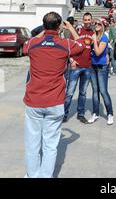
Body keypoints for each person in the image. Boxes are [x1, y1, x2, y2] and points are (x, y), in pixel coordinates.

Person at [23, 12, 85, 178]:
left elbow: (26, 45)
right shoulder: (65, 44)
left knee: (32, 143)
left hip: (34, 99)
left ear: (44, 26)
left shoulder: (33, 44)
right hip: (55, 100)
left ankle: (32, 175)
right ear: (59, 27)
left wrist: (44, 32)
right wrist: (70, 27)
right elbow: (82, 44)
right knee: (50, 145)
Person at [63, 13, 95, 123]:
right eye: (85, 19)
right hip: (75, 67)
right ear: (83, 20)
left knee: (83, 93)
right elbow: (69, 46)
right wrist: (71, 60)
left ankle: (80, 114)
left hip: (87, 67)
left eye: (88, 20)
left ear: (91, 20)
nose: (87, 21)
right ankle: (64, 114)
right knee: (69, 93)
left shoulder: (93, 33)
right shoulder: (77, 31)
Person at [89, 20, 114, 125]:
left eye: (99, 24)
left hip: (101, 67)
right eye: (96, 24)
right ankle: (95, 113)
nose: (97, 25)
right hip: (92, 66)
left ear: (103, 26)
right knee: (95, 91)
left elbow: (98, 52)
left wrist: (94, 41)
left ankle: (110, 114)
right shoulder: (93, 36)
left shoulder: (104, 37)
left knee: (103, 91)